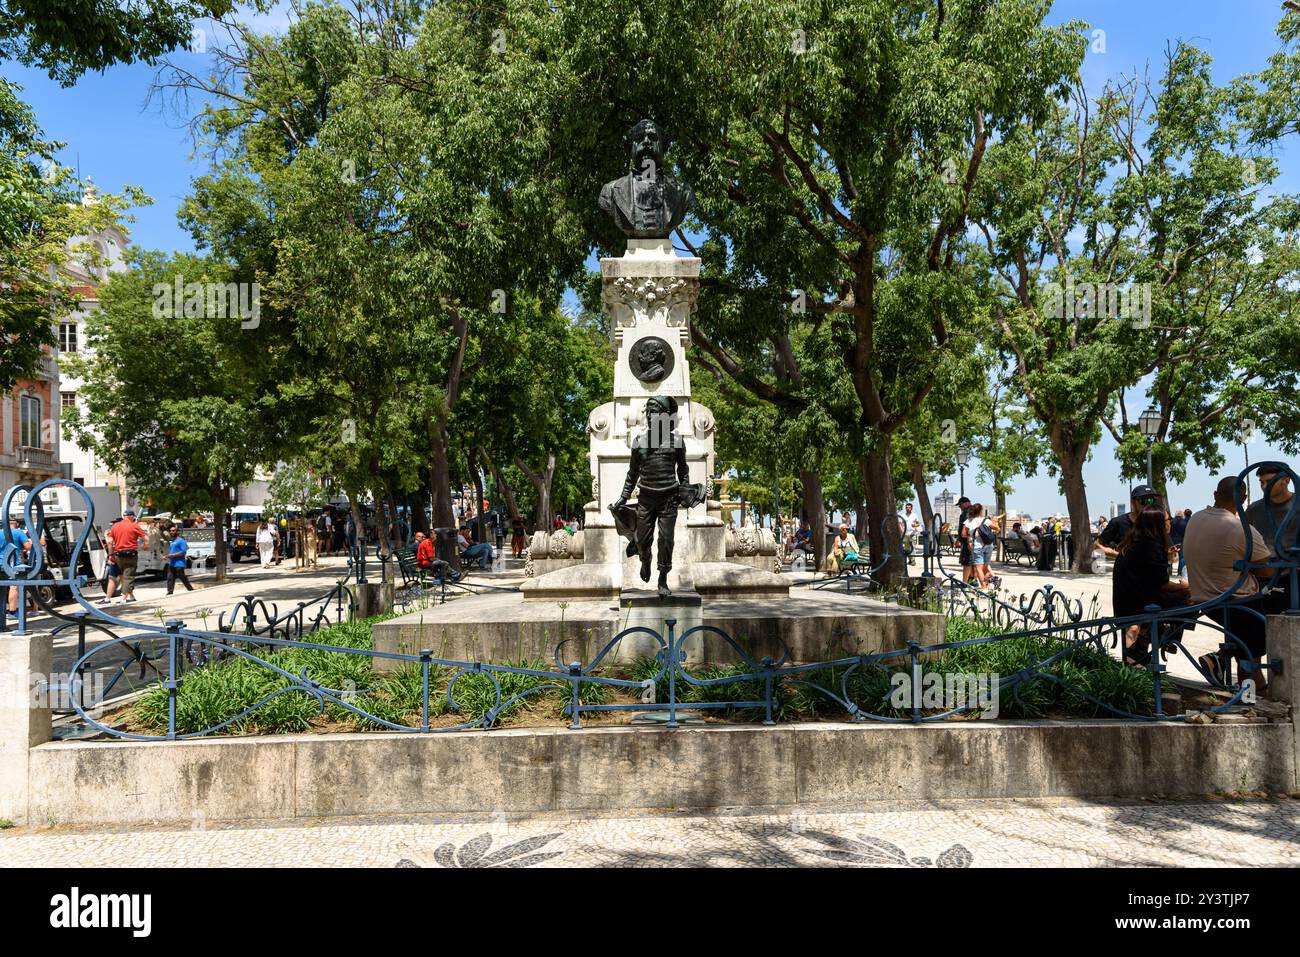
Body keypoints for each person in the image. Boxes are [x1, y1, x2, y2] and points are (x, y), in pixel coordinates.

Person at [1184, 477, 1289, 692]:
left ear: (1215, 495)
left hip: (1205, 600)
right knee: (1251, 658)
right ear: (1243, 499)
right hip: (1239, 602)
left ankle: (1223, 661)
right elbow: (1268, 571)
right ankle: (1244, 687)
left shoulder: (1195, 519)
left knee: (1248, 653)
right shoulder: (1242, 529)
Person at [1111, 507, 1191, 666]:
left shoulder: (1134, 541)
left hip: (1125, 602)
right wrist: (1185, 585)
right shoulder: (1151, 545)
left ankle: (1143, 643)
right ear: (1159, 524)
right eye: (1168, 520)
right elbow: (1164, 584)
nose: (1170, 523)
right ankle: (1169, 638)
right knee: (1192, 596)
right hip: (1139, 605)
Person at [1246, 464, 1298, 559]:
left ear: (1287, 480)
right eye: (1261, 482)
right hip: (1263, 569)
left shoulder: (1297, 505)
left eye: (1270, 481)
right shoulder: (1254, 509)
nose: (1264, 486)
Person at [1098, 485, 1161, 559]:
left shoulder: (1158, 522)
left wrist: (1170, 555)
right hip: (1126, 569)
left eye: (1151, 500)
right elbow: (1097, 545)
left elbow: (1171, 555)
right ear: (1133, 502)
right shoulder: (1118, 522)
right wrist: (1119, 556)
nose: (1148, 504)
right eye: (1143, 500)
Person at [107, 509, 148, 602]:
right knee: (128, 576)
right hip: (131, 555)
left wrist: (110, 555)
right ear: (131, 516)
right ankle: (125, 598)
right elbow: (146, 538)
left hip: (118, 555)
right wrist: (145, 545)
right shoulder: (134, 526)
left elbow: (109, 542)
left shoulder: (115, 526)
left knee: (123, 576)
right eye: (133, 517)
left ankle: (130, 597)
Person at [3, 517, 33, 614]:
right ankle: (12, 612)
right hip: (12, 564)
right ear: (16, 524)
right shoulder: (18, 532)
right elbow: (28, 547)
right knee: (13, 587)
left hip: (0, 563)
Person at [965, 504, 999, 588]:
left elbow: (963, 534)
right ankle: (986, 585)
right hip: (988, 545)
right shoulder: (986, 520)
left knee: (979, 568)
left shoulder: (968, 521)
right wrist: (994, 520)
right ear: (981, 511)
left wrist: (970, 538)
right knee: (985, 567)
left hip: (977, 546)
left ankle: (984, 587)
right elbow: (997, 528)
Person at [166, 525, 194, 595]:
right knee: (170, 578)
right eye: (170, 531)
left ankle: (190, 589)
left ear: (177, 532)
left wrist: (172, 555)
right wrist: (168, 556)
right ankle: (170, 592)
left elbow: (183, 552)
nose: (171, 532)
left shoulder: (181, 541)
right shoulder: (172, 541)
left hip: (179, 563)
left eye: (173, 531)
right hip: (172, 563)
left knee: (182, 577)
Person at [955, 495, 973, 584]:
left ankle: (965, 582)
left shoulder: (967, 512)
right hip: (974, 540)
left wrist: (960, 539)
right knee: (973, 562)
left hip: (967, 541)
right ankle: (972, 580)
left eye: (960, 505)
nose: (960, 507)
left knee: (967, 562)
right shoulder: (975, 511)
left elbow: (966, 527)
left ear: (966, 503)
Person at [1169, 507, 1191, 576]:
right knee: (1182, 557)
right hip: (1181, 541)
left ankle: (1169, 570)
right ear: (1181, 515)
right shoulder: (1184, 522)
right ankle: (1180, 571)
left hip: (1171, 540)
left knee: (1170, 555)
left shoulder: (1171, 521)